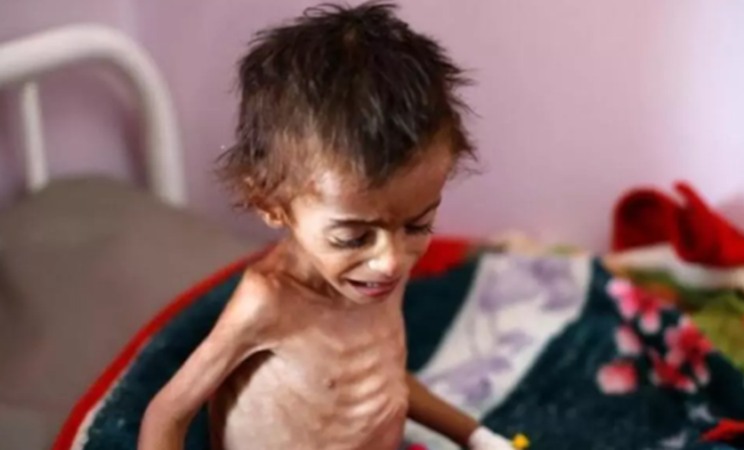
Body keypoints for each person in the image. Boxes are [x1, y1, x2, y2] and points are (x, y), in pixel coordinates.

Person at [139, 2, 515, 449]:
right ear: (270, 204)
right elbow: (166, 413)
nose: (390, 261)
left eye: (417, 226)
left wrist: (477, 436)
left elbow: (382, 379)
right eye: (353, 238)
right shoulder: (268, 303)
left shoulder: (376, 277)